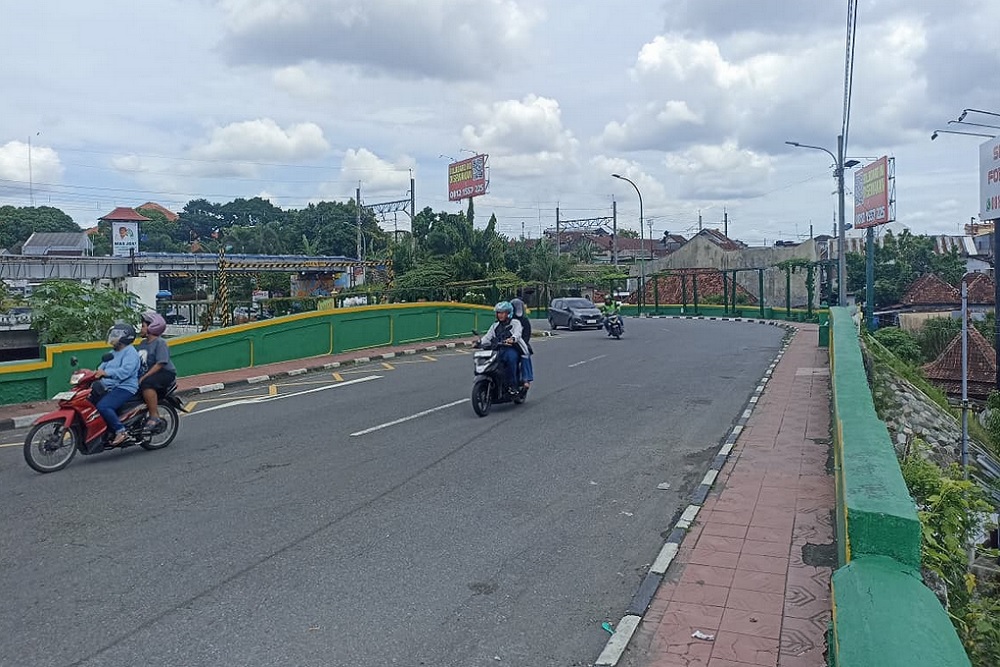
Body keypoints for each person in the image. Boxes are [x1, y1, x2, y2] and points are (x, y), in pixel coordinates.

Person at [93, 323, 141, 447]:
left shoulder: (130, 352)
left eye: (115, 335)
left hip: (125, 387)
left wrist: (106, 373)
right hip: (109, 385)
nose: (112, 338)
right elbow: (101, 368)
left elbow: (126, 371)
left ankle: (121, 431)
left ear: (125, 337)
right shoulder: (112, 352)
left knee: (103, 406)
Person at [477, 301, 528, 395]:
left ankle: (513, 386)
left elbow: (517, 333)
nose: (500, 315)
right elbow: (488, 337)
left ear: (508, 313)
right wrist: (479, 343)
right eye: (498, 313)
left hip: (512, 349)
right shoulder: (495, 326)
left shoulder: (515, 323)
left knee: (511, 359)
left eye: (502, 313)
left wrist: (512, 339)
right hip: (498, 349)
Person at [137, 311, 176, 433]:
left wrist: (144, 377)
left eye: (143, 325)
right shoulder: (142, 344)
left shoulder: (160, 343)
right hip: (150, 374)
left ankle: (154, 416)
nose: (141, 328)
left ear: (152, 326)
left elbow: (161, 363)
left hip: (164, 373)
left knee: (146, 383)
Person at [510, 298, 534, 389]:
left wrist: (518, 343)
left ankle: (526, 378)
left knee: (525, 355)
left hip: (520, 344)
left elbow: (526, 336)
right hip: (505, 344)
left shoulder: (525, 321)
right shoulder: (506, 320)